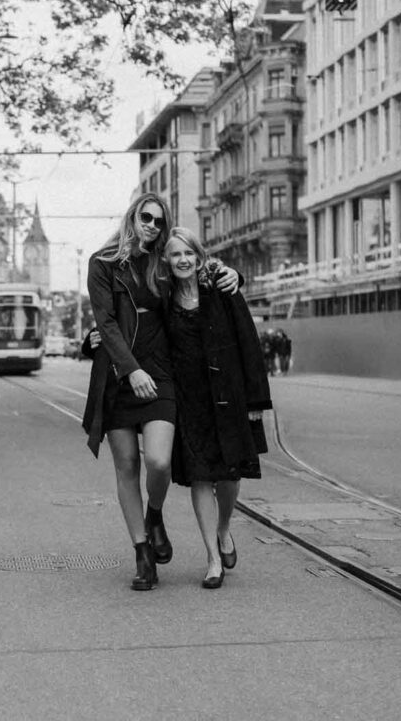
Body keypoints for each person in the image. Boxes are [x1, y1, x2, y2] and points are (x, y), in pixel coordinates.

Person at [82, 193, 239, 592]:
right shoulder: (101, 264)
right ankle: (142, 554)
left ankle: (155, 515)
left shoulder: (161, 263)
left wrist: (232, 273)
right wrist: (129, 370)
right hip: (119, 378)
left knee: (159, 462)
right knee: (127, 468)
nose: (152, 225)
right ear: (132, 215)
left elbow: (196, 272)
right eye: (146, 217)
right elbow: (107, 322)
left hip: (162, 373)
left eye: (158, 221)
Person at [165, 227, 272, 589]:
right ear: (167, 260)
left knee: (229, 476)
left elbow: (248, 343)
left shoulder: (223, 289)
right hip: (188, 401)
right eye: (175, 254)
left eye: (188, 254)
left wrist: (256, 401)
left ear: (198, 257)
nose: (182, 260)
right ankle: (212, 558)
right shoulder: (164, 298)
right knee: (200, 476)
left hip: (228, 397)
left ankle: (224, 528)